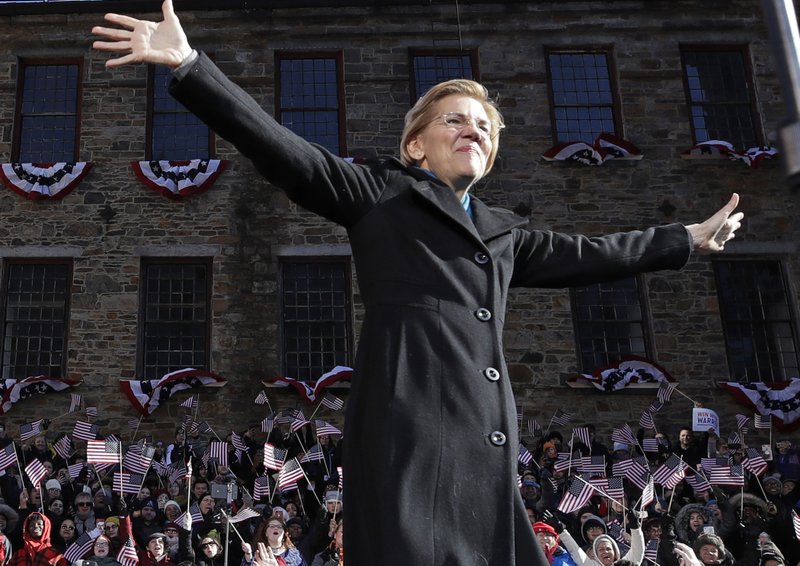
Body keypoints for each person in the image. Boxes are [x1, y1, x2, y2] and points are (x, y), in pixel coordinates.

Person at [91, 3, 744, 563]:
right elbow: (282, 149)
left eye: (484, 129)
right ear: (416, 146)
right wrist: (189, 66)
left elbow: (599, 253)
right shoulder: (381, 194)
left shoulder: (503, 233)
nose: (473, 131)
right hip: (409, 424)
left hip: (485, 443)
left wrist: (686, 237)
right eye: (456, 121)